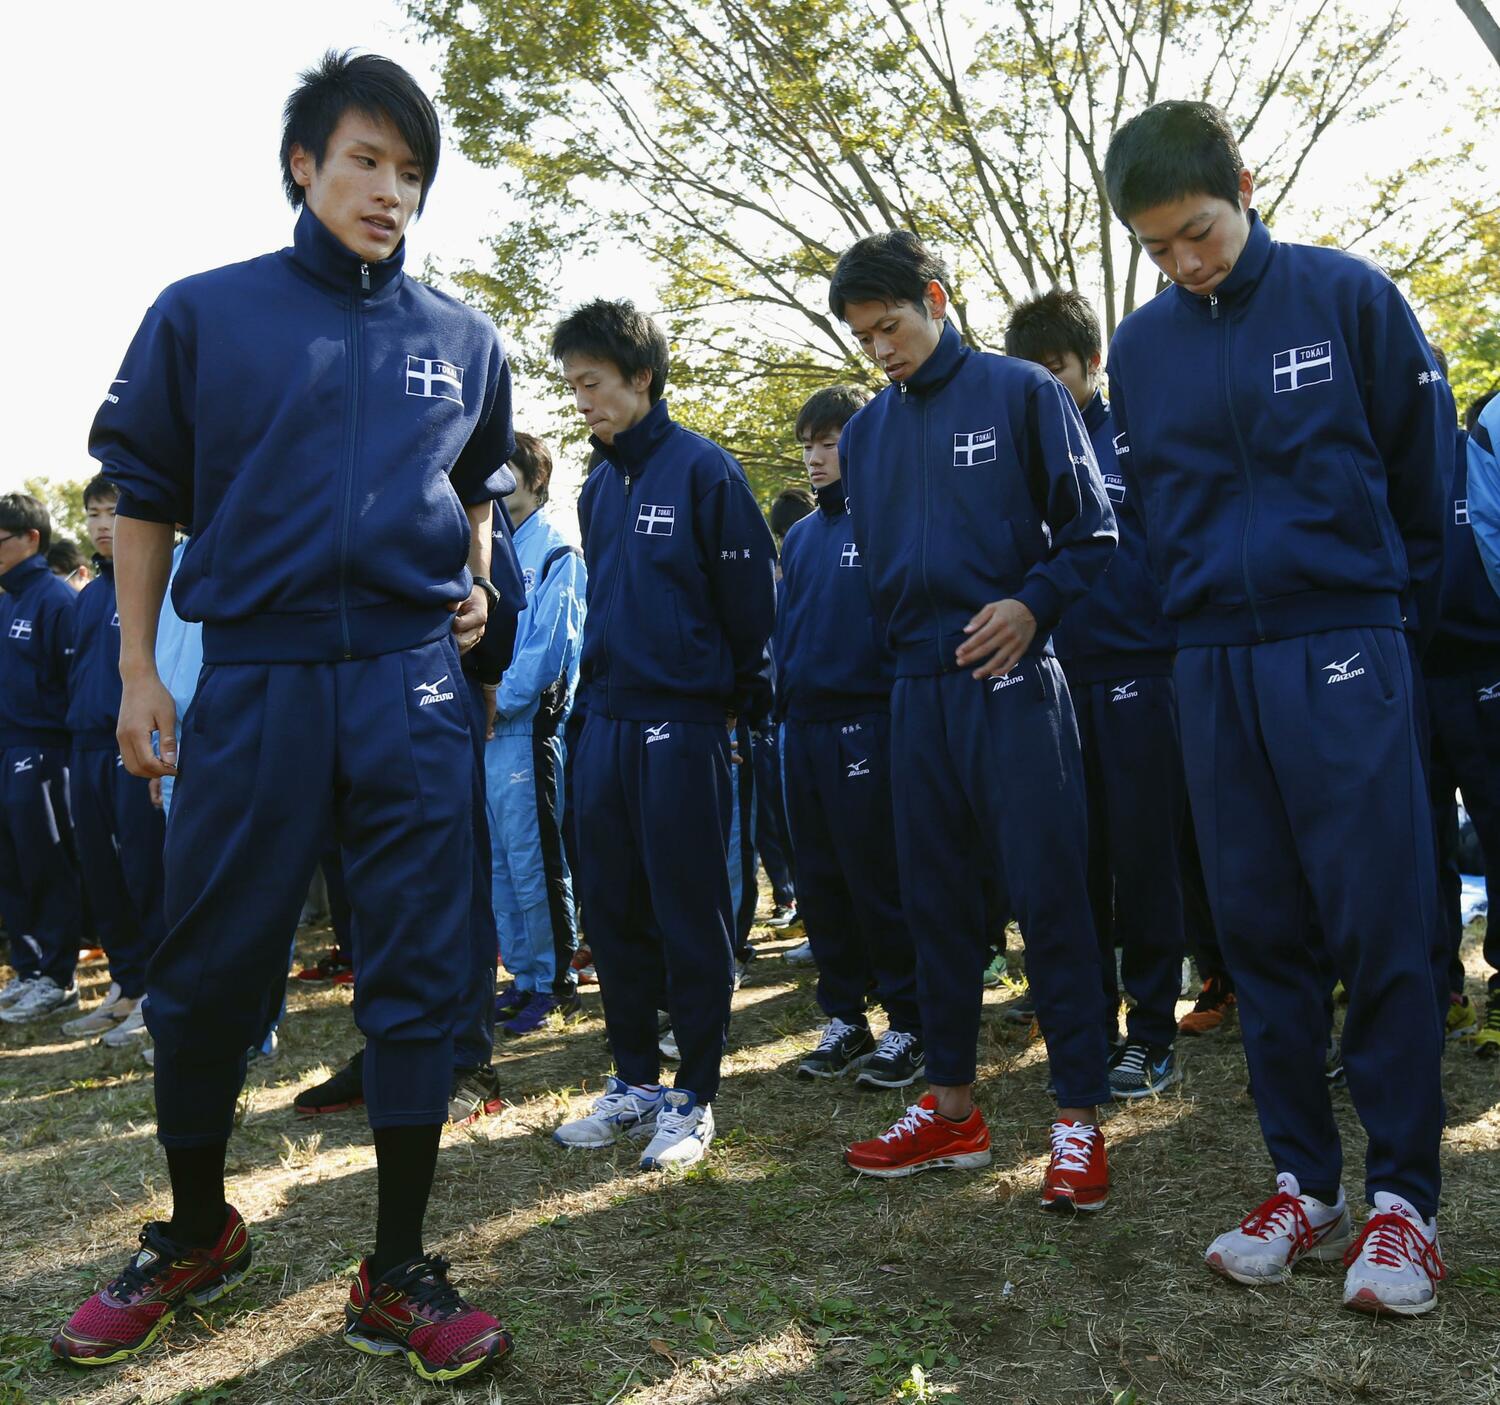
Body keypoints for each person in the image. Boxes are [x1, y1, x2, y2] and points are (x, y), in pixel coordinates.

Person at [52, 52, 514, 1379]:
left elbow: (476, 479)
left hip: (411, 682)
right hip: (253, 675)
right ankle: (196, 1231)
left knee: (421, 973)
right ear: (304, 166)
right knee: (203, 969)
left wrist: (474, 583)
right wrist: (141, 670)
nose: (390, 191)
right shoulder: (205, 314)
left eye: (412, 173)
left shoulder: (461, 336)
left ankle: (401, 1266)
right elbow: (140, 491)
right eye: (366, 161)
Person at [1104, 99, 1450, 1314]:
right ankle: (1305, 1179)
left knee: (1377, 916)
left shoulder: (1348, 298)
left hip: (1346, 637)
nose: (1185, 262)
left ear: (1243, 187)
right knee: (1256, 927)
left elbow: (1426, 482)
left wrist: (1372, 609)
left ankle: (1405, 1199)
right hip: (1211, 660)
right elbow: (1144, 516)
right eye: (1157, 248)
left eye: (1198, 231)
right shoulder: (1140, 349)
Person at [829, 232, 1118, 1212]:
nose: (882, 350)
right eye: (865, 339)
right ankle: (952, 1109)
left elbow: (1095, 532)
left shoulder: (1022, 395)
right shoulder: (866, 436)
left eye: (893, 326)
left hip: (1014, 686)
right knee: (936, 905)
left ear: (938, 299)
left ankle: (1077, 1119)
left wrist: (1034, 603)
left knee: (1050, 897)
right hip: (917, 696)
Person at [549, 298, 777, 1172]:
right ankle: (635, 1079)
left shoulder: (705, 473)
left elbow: (753, 613)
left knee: (689, 907)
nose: (583, 402)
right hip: (603, 720)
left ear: (641, 376)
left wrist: (734, 708)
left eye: (594, 383)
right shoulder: (599, 486)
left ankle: (696, 1096)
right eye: (572, 387)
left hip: (684, 722)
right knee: (612, 906)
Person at [1004, 289, 1186, 1099]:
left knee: (1144, 857)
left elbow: (1173, 551)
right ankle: (1089, 1018)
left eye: (1056, 370)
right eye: (1029, 374)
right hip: (1049, 682)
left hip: (1139, 673)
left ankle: (1152, 1031)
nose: (1044, 387)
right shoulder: (1020, 456)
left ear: (1091, 364)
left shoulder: (1136, 442)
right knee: (1073, 865)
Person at [779, 384, 922, 1088]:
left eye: (829, 441)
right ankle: (844, 1014)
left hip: (868, 723)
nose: (815, 456)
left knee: (878, 877)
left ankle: (911, 1019)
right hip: (801, 728)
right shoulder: (801, 536)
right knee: (821, 880)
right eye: (807, 443)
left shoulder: (888, 519)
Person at [56, 477, 168, 1041]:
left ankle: (156, 991)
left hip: (136, 748)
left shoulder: (155, 578)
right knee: (103, 876)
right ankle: (126, 985)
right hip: (85, 751)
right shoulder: (90, 594)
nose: (103, 525)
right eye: (94, 514)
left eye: (114, 512)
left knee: (146, 872)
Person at [485, 432, 588, 1037]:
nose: (498, 487)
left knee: (534, 861)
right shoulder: (486, 552)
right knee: (499, 863)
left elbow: (552, 650)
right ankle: (522, 976)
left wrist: (501, 700)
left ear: (536, 481)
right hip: (488, 732)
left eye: (509, 473)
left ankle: (555, 979)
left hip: (527, 733)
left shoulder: (557, 554)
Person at [1422, 376, 1500, 1056]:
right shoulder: (1379, 466)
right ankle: (1438, 985)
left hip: (1484, 669)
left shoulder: (1472, 452)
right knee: (1422, 843)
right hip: (1410, 679)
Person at [0, 493, 84, 1023]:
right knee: (11, 865)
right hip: (7, 748)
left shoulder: (55, 599)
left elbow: (74, 684)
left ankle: (58, 977)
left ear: (32, 539)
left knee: (45, 862)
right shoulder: (6, 599)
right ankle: (29, 969)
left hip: (45, 751)